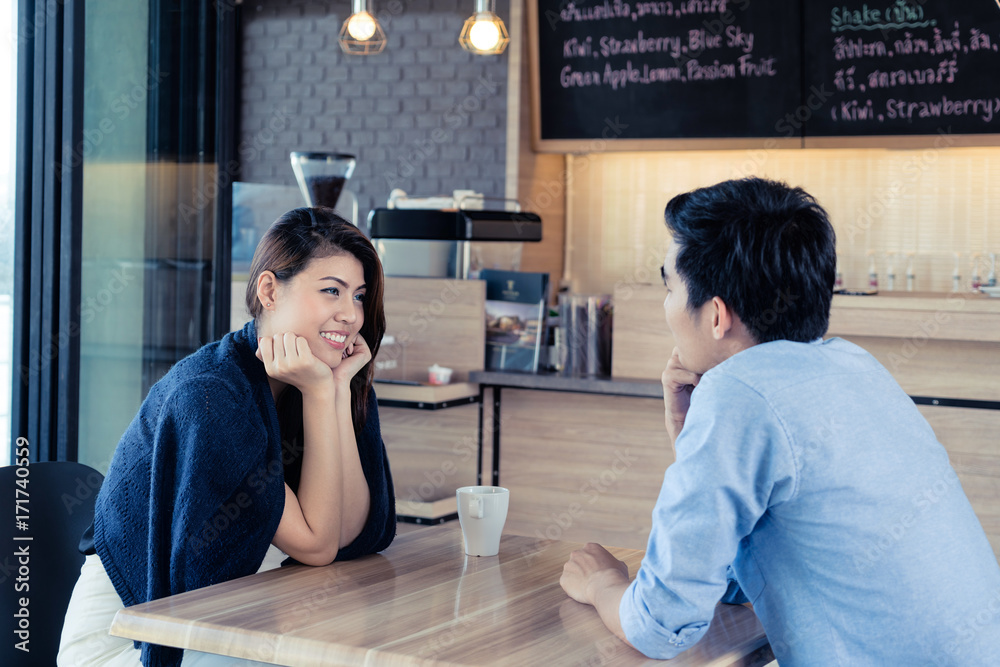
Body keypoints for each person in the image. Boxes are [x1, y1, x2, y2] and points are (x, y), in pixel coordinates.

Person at [559, 177, 1000, 665]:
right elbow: (731, 586)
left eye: (669, 286)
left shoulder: (738, 393)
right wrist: (691, 444)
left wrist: (604, 583)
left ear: (717, 315)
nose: (667, 307)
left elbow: (662, 624)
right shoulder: (855, 366)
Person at [58, 208, 396, 667]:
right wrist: (320, 392)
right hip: (128, 641)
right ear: (270, 290)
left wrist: (336, 392)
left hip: (230, 614)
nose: (351, 315)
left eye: (358, 296)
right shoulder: (212, 395)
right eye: (331, 291)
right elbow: (318, 546)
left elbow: (352, 532)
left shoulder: (326, 377)